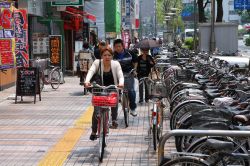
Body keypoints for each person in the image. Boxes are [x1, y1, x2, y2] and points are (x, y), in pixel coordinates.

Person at [85, 47, 124, 140]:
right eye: (105, 55)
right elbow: (91, 71)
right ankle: (94, 131)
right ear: (101, 56)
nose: (107, 57)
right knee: (96, 109)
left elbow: (120, 74)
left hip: (111, 88)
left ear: (112, 56)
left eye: (109, 55)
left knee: (115, 97)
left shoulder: (116, 64)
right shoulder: (97, 63)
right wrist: (87, 81)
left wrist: (121, 83)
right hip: (99, 88)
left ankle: (114, 119)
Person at [113, 39, 138, 116]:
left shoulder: (129, 53)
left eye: (119, 46)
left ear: (122, 46)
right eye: (116, 47)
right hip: (117, 74)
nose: (118, 48)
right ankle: (114, 114)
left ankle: (133, 108)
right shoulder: (113, 55)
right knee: (114, 92)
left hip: (129, 73)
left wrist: (134, 70)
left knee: (131, 91)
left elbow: (136, 61)